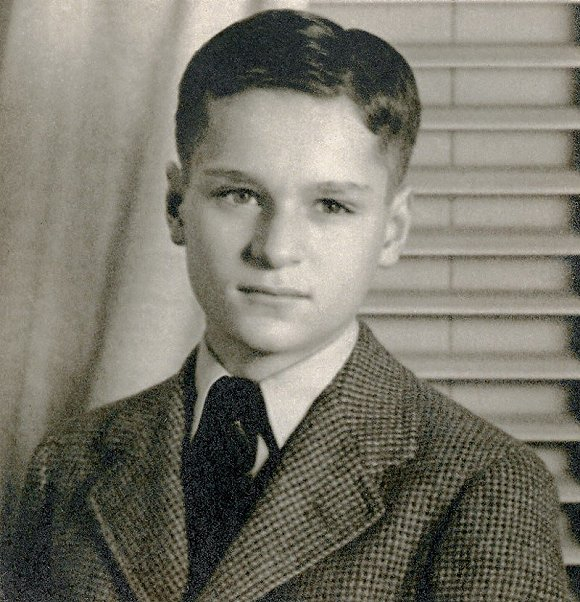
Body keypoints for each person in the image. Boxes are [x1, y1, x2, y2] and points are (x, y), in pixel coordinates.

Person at [4, 9, 572, 602]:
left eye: (331, 206)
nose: (274, 250)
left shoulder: (481, 486)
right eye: (240, 194)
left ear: (392, 231)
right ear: (176, 207)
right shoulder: (69, 465)